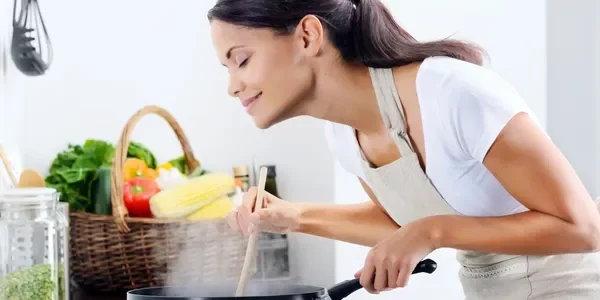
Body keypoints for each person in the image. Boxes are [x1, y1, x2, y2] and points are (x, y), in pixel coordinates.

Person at [208, 0, 600, 299]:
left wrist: (432, 232)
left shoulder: (451, 93)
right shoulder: (344, 135)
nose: (232, 86)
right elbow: (399, 224)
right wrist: (294, 216)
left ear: (308, 36)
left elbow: (582, 228)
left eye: (241, 60)